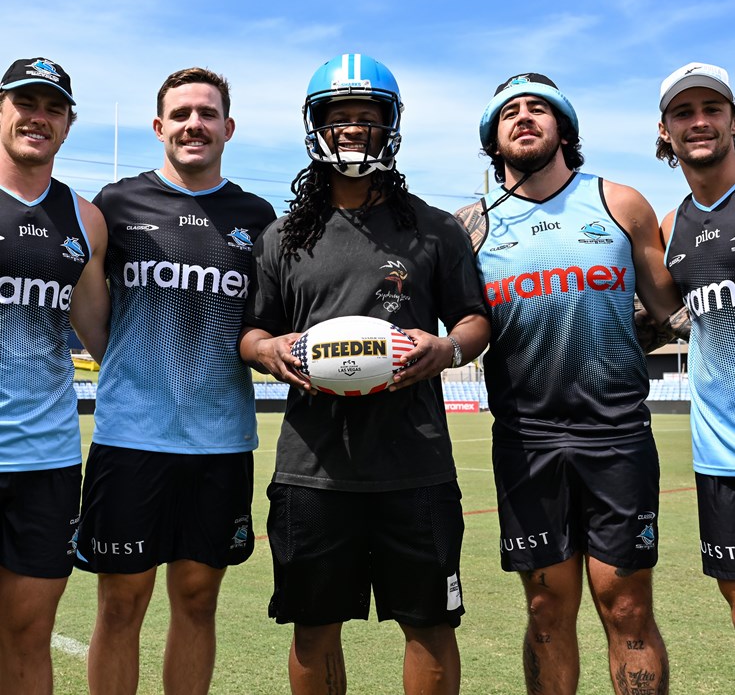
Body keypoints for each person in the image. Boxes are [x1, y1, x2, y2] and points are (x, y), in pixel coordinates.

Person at [240, 53, 489, 695]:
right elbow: (252, 333)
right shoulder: (282, 237)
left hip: (416, 463)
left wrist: (447, 350)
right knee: (313, 627)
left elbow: (473, 320)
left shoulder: (434, 228)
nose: (353, 129)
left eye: (368, 118)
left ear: (392, 126)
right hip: (312, 468)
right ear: (316, 126)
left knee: (430, 624)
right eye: (339, 117)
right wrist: (269, 352)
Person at [454, 73, 690, 695]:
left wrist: (619, 335)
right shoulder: (470, 226)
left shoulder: (619, 202)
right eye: (510, 112)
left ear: (564, 127)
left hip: (616, 437)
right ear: (492, 135)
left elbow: (671, 313)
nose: (525, 118)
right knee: (545, 613)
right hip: (526, 439)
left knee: (628, 608)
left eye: (540, 108)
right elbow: (455, 324)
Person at [74, 67, 276, 695]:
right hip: (131, 440)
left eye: (208, 114)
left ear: (228, 128)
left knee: (196, 600)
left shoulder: (257, 216)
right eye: (182, 114)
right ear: (160, 127)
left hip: (219, 444)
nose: (195, 124)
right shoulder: (118, 202)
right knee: (121, 603)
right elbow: (91, 310)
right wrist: (130, 365)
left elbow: (258, 324)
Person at [0, 57, 108, 694]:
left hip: (47, 460)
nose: (38, 117)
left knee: (29, 636)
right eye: (24, 102)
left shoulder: (84, 219)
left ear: (67, 124)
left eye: (53, 107)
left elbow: (104, 335)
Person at [657, 62, 735, 627]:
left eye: (713, 109)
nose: (699, 121)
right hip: (718, 452)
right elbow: (664, 315)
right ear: (666, 131)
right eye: (684, 112)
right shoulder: (669, 226)